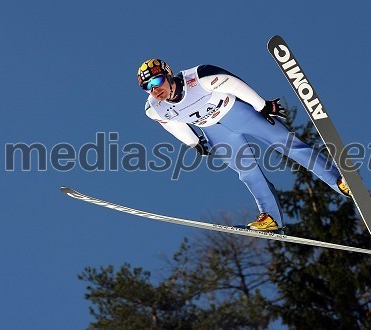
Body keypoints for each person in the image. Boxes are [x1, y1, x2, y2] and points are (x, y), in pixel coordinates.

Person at [137, 58, 351, 231]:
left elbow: (233, 83)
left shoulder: (199, 76)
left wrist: (262, 105)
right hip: (215, 132)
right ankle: (271, 219)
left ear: (168, 75)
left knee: (286, 144)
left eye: (156, 82)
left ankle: (339, 181)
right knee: (247, 172)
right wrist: (194, 143)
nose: (155, 91)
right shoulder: (154, 108)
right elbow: (171, 124)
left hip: (238, 113)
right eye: (148, 88)